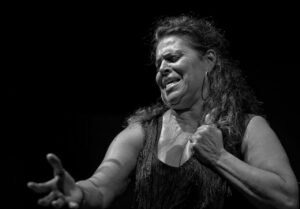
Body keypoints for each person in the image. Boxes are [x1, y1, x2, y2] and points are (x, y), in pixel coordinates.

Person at [27, 15, 299, 209]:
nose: (162, 69)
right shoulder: (139, 134)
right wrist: (79, 193)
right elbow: (101, 187)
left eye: (172, 58)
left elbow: (286, 199)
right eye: (158, 64)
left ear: (209, 61)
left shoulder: (249, 127)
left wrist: (219, 157)